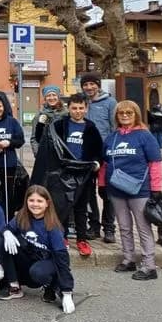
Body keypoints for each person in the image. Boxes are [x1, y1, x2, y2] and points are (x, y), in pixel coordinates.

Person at [98, 100, 162, 280]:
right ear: (116, 116)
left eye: (129, 112)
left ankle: (149, 266)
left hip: (139, 190)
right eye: (121, 113)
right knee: (124, 226)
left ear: (136, 115)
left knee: (143, 227)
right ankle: (128, 259)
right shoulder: (112, 138)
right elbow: (104, 164)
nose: (125, 116)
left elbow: (155, 163)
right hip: (116, 189)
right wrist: (101, 184)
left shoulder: (145, 136)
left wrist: (156, 188)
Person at [0, 185, 75, 314]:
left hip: (47, 263)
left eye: (39, 201)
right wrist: (6, 232)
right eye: (31, 200)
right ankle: (14, 285)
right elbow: (6, 228)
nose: (35, 204)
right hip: (29, 257)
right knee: (0, 241)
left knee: (38, 272)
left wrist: (67, 291)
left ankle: (52, 286)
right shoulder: (22, 215)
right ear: (26, 201)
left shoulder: (53, 227)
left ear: (47, 203)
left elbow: (62, 258)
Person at [52, 93, 102, 257]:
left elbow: (98, 150)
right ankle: (63, 236)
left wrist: (97, 163)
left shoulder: (91, 128)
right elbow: (49, 143)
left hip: (84, 174)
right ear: (69, 108)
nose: (78, 111)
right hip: (65, 173)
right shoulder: (60, 125)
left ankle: (82, 239)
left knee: (81, 207)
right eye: (74, 108)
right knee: (63, 206)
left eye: (81, 108)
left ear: (86, 109)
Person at [80, 71, 117, 243]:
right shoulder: (81, 103)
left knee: (107, 193)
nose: (89, 87)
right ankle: (93, 226)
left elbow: (114, 128)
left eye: (92, 84)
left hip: (105, 156)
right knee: (88, 193)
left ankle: (109, 228)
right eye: (85, 85)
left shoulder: (110, 102)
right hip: (86, 155)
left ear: (98, 85)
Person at [0, 93, 25, 219]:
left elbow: (20, 140)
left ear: (4, 106)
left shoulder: (12, 122)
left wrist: (9, 143)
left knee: (8, 193)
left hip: (9, 164)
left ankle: (9, 218)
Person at [31, 85, 68, 157]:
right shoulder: (39, 115)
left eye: (54, 95)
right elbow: (34, 138)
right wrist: (38, 155)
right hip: (46, 154)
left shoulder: (67, 114)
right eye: (48, 95)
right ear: (45, 98)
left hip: (64, 154)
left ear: (58, 97)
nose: (51, 98)